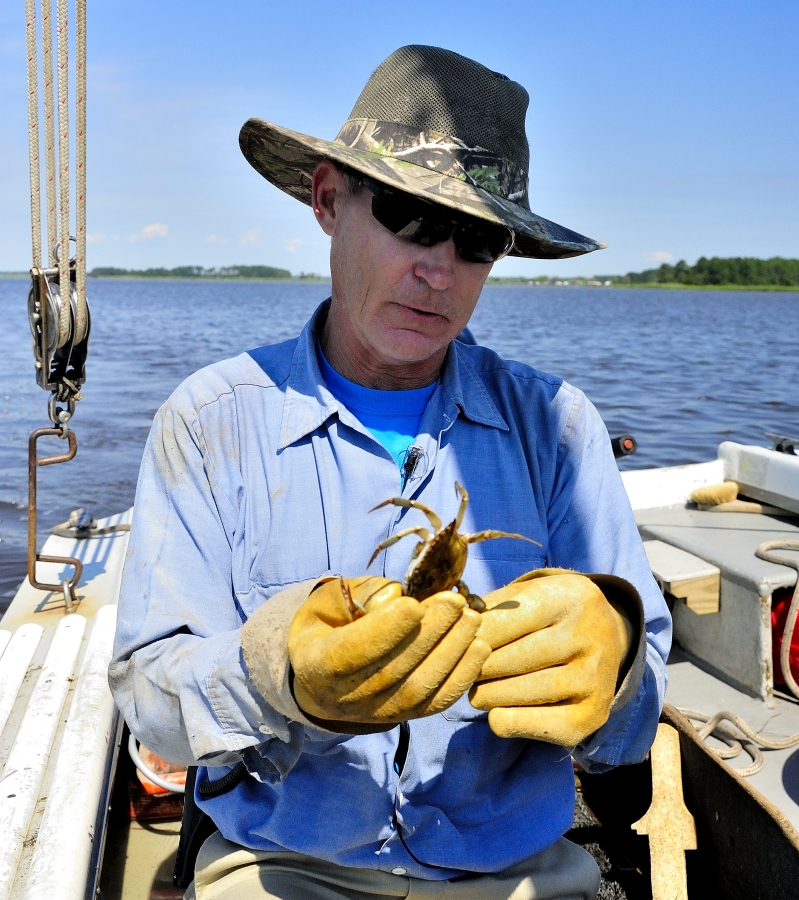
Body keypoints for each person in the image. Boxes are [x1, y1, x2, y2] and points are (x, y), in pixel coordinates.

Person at [110, 45, 671, 900]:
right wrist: (279, 675)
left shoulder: (557, 427)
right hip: (284, 867)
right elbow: (151, 695)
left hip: (517, 871)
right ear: (328, 200)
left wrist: (619, 660)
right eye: (411, 217)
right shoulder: (208, 421)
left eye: (478, 240)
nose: (438, 270)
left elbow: (631, 721)